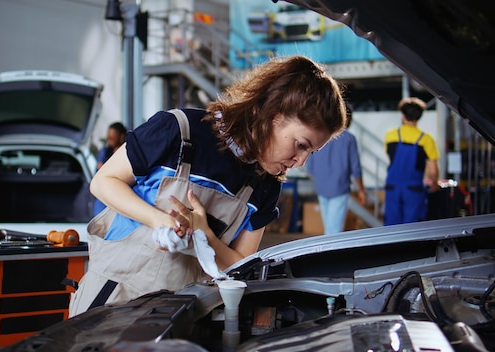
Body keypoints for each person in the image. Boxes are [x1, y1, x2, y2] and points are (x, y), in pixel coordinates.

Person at [70, 55, 347, 316]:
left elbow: (240, 266)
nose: (300, 161)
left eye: (311, 152)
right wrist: (158, 220)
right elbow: (104, 182)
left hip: (182, 313)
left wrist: (206, 235)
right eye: (300, 145)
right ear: (274, 114)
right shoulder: (179, 130)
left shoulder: (264, 187)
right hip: (113, 297)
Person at [305, 103, 366, 234]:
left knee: (328, 226)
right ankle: (330, 252)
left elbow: (309, 166)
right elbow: (355, 167)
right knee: (334, 229)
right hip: (340, 187)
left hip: (321, 186)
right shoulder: (349, 138)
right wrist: (361, 190)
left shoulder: (319, 134)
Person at [383, 97, 440, 225]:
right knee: (413, 226)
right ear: (419, 116)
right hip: (414, 189)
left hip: (393, 187)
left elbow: (390, 157)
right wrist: (435, 182)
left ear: (402, 115)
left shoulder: (390, 135)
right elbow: (433, 170)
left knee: (391, 225)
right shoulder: (426, 139)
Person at [92, 122, 127, 215]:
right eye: (108, 137)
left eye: (112, 137)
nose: (109, 140)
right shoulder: (104, 152)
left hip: (121, 195)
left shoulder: (127, 152)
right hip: (103, 195)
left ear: (121, 136)